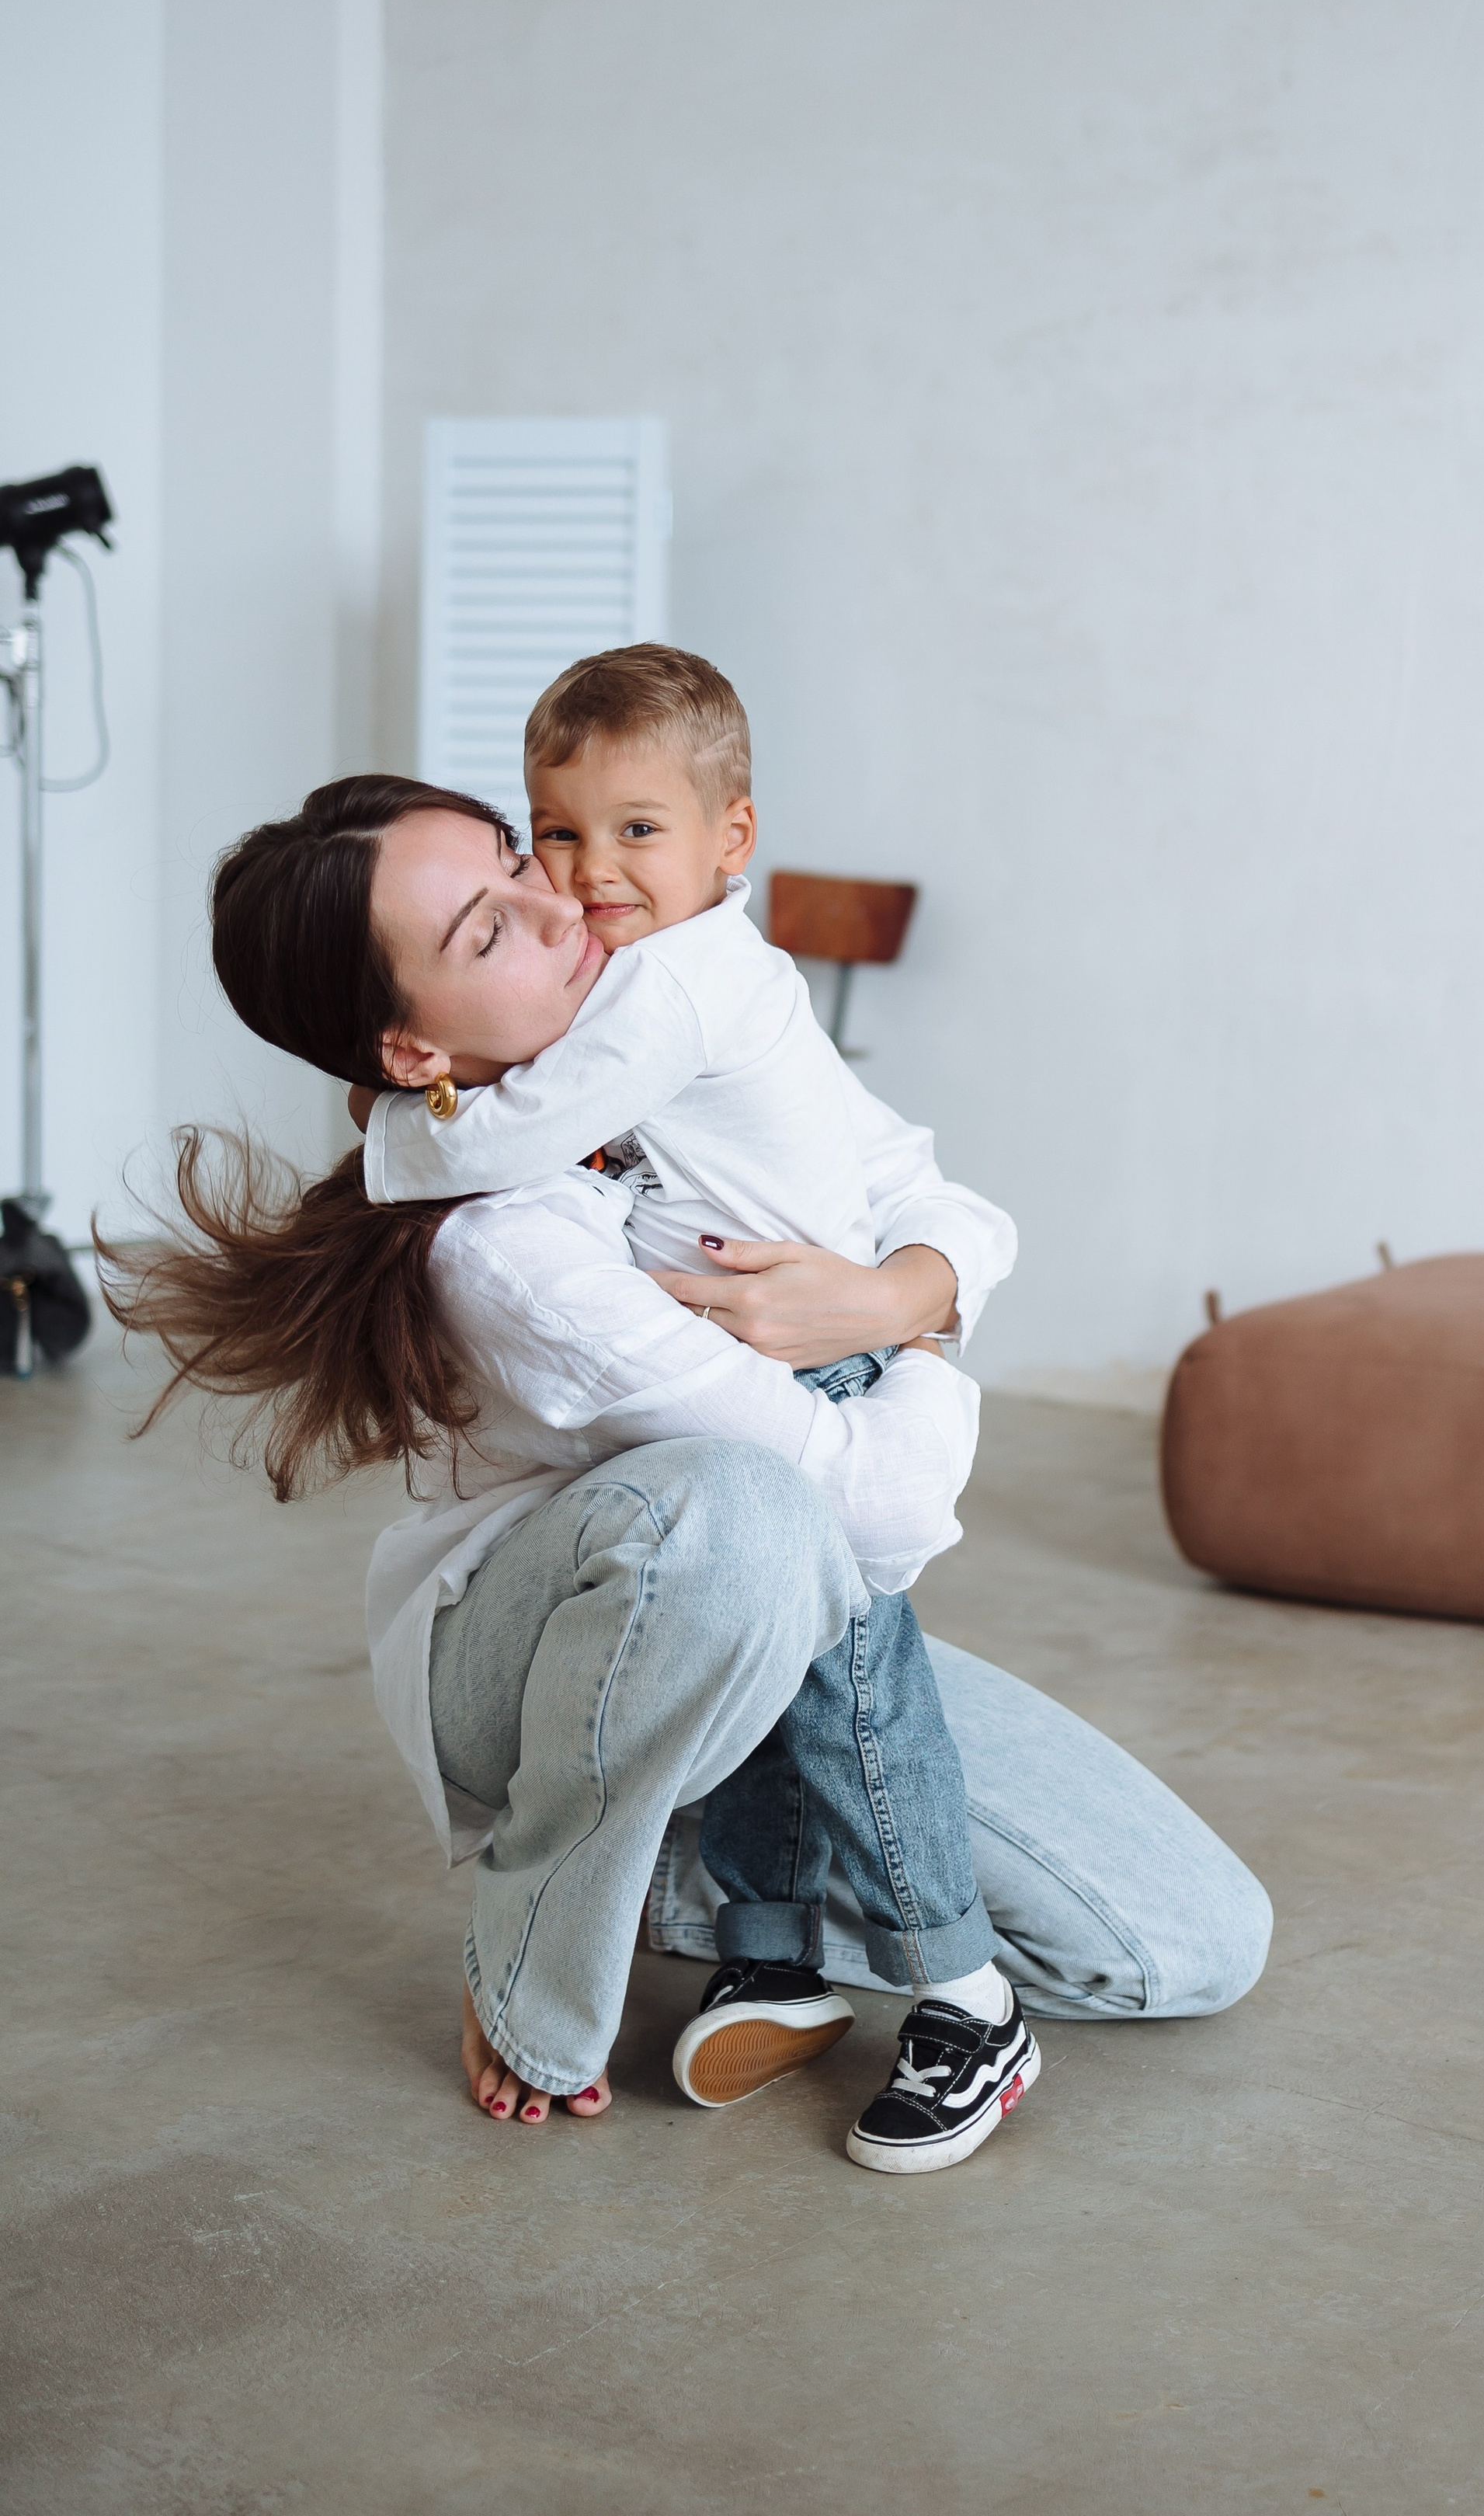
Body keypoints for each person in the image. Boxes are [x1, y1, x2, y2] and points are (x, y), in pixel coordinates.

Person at [100, 773, 1272, 2156]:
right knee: (746, 1508)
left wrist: (892, 1294)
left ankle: (708, 1892)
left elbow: (927, 1187)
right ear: (413, 1051)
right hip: (547, 1648)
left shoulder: (677, 1002)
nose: (563, 900)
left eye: (520, 854)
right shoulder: (504, 1248)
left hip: (764, 1628)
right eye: (489, 930)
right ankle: (552, 1909)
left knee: (1189, 1943)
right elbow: (881, 1509)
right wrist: (921, 1343)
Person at [360, 642, 1037, 2172]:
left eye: (637, 831)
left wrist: (910, 1315)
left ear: (733, 840)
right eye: (556, 834)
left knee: (848, 1691)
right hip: (705, 1454)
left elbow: (519, 1128)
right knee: (795, 1660)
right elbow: (527, 1148)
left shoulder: (673, 983)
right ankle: (779, 1953)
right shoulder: (645, 1000)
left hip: (833, 1366)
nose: (587, 875)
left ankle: (966, 1990)